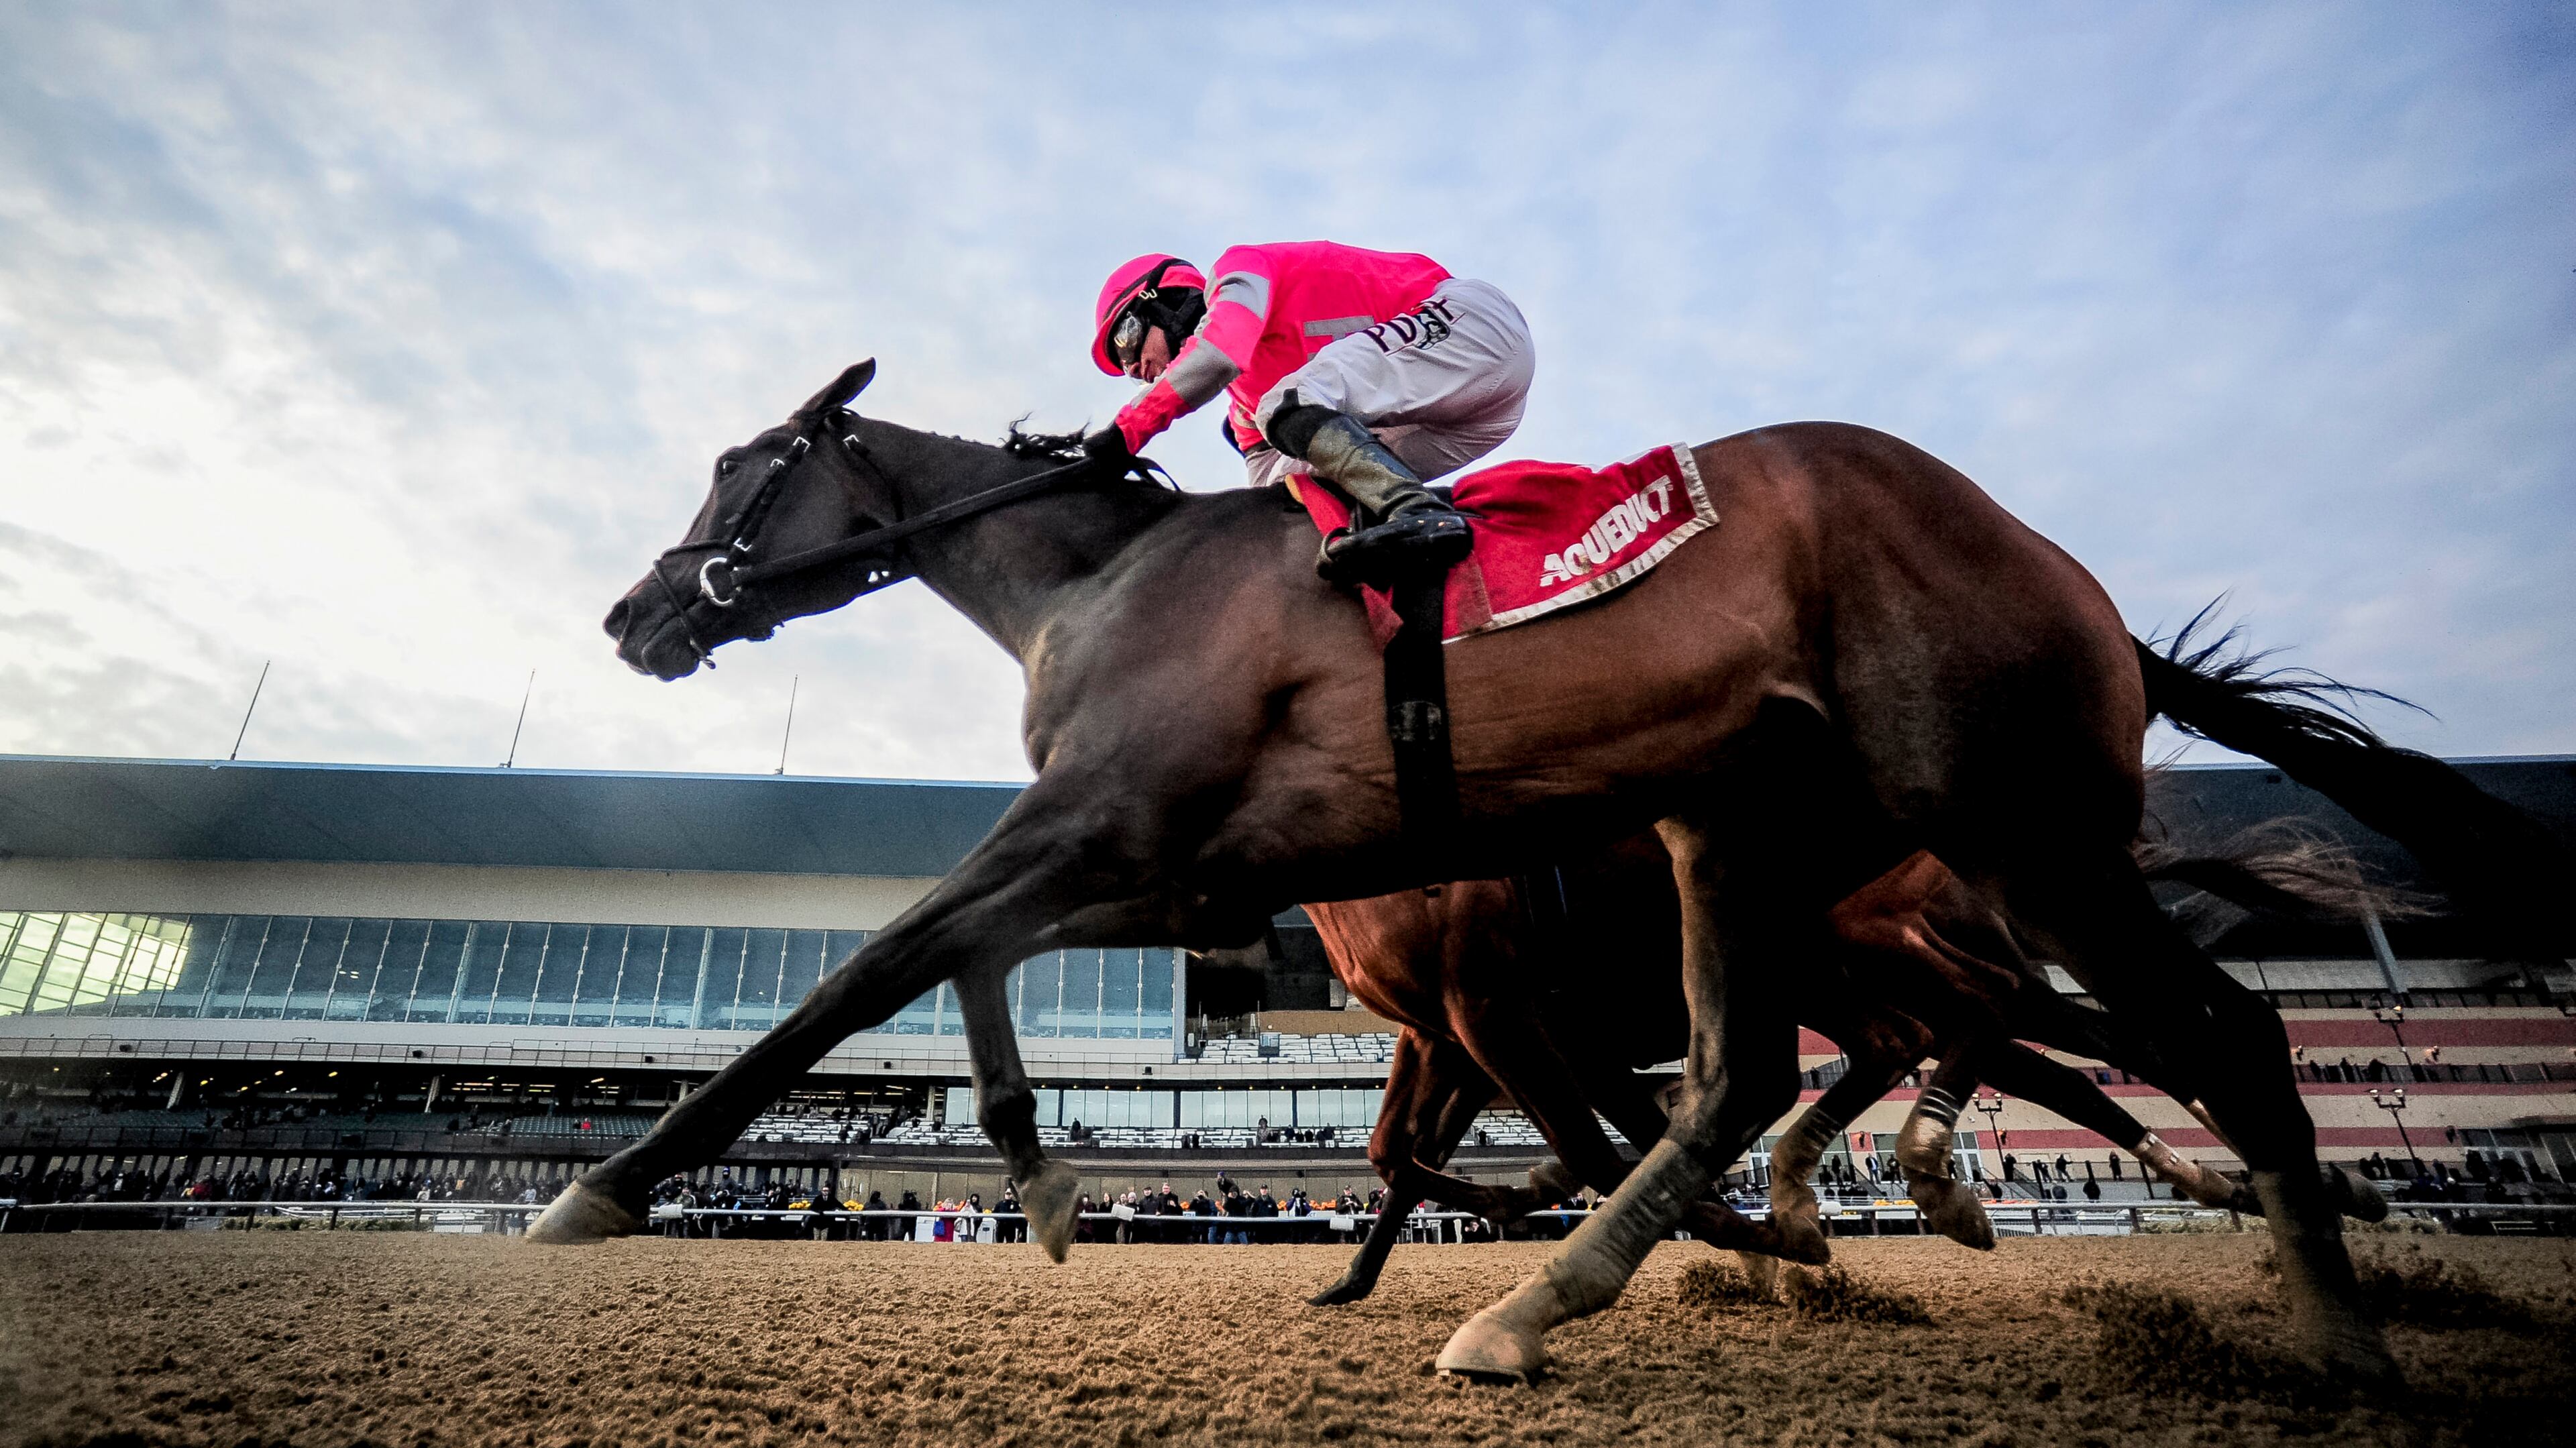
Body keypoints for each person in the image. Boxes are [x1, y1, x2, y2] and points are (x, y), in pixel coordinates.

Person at [1084, 243, 1536, 586]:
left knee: (1285, 405)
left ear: (1161, 298)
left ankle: (1415, 510)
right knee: (1299, 476)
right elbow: (1269, 494)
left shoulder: (1237, 271)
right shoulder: (1244, 407)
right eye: (1125, 369)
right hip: (1480, 417)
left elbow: (1218, 353)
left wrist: (1124, 433)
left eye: (1127, 339)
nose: (1136, 368)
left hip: (1472, 326)